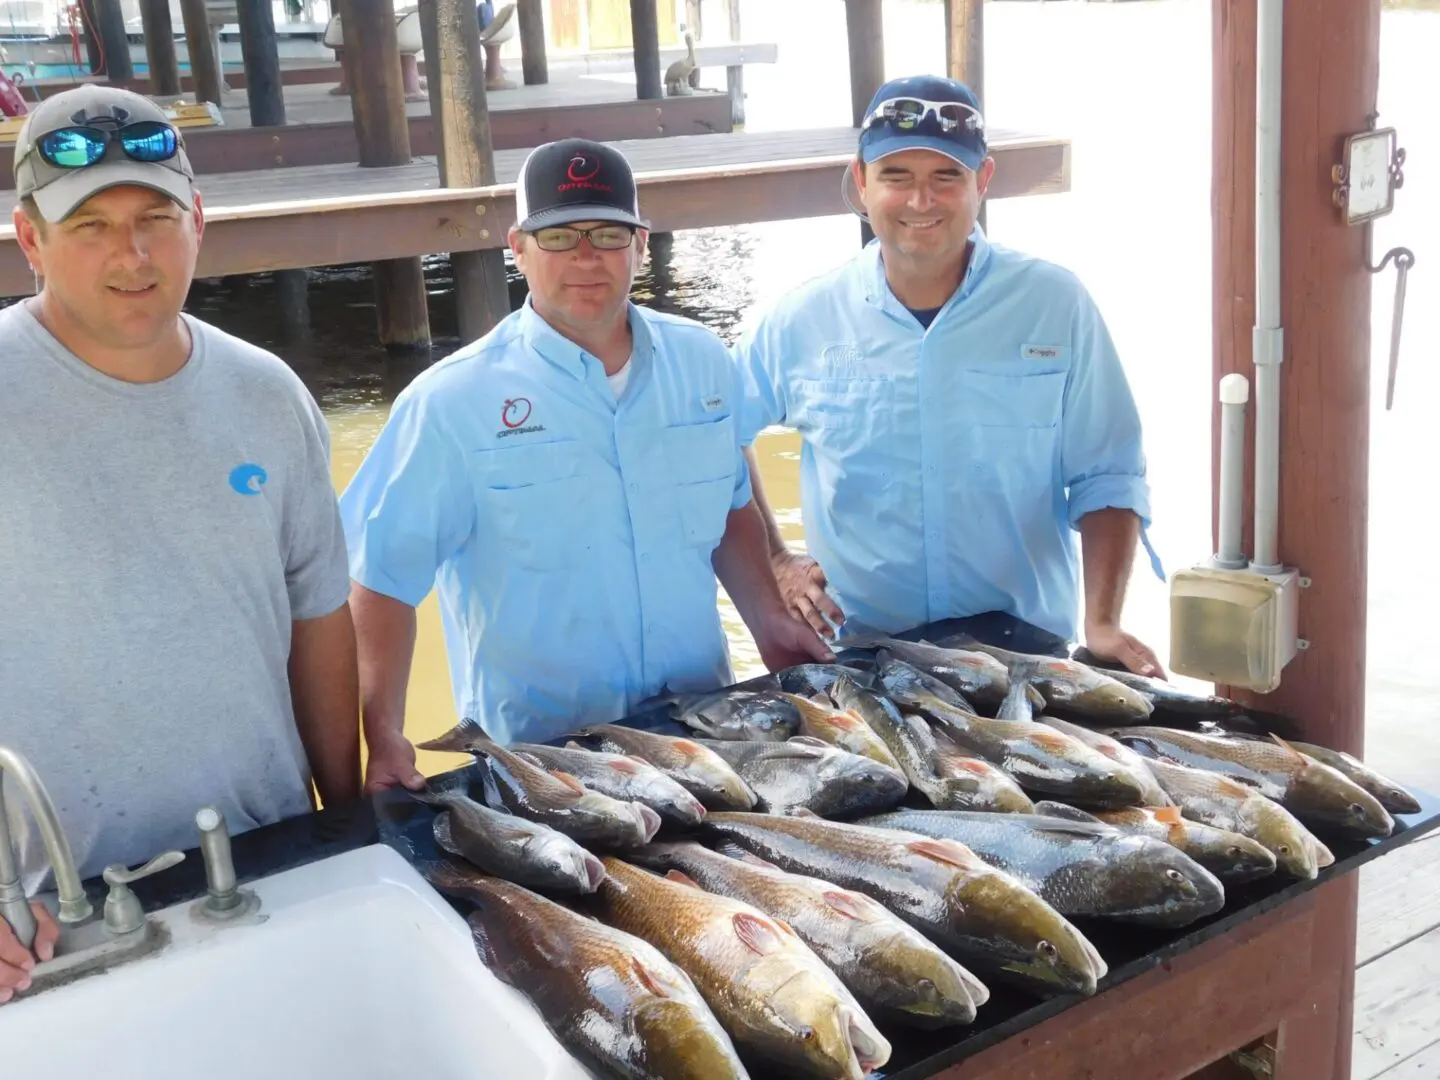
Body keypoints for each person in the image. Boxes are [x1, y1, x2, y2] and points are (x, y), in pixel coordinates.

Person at [0, 85, 360, 1003]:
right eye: (90, 224)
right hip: (48, 916)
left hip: (270, 863)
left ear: (199, 221)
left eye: (157, 216)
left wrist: (348, 818)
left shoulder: (269, 393)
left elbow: (319, 617)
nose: (133, 253)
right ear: (29, 238)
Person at [340, 137, 832, 778]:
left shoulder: (704, 361)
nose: (586, 258)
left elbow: (730, 507)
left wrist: (768, 619)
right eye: (559, 237)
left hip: (702, 732)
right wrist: (384, 735)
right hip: (545, 760)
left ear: (641, 244)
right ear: (516, 247)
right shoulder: (449, 401)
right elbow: (378, 581)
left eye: (607, 235)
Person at [732, 74, 1165, 676]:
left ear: (982, 181)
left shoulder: (1055, 305)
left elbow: (1109, 473)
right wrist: (776, 561)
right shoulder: (802, 318)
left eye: (946, 177)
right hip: (862, 652)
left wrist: (1104, 622)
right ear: (861, 181)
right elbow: (718, 430)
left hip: (1027, 652)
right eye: (896, 177)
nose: (920, 201)